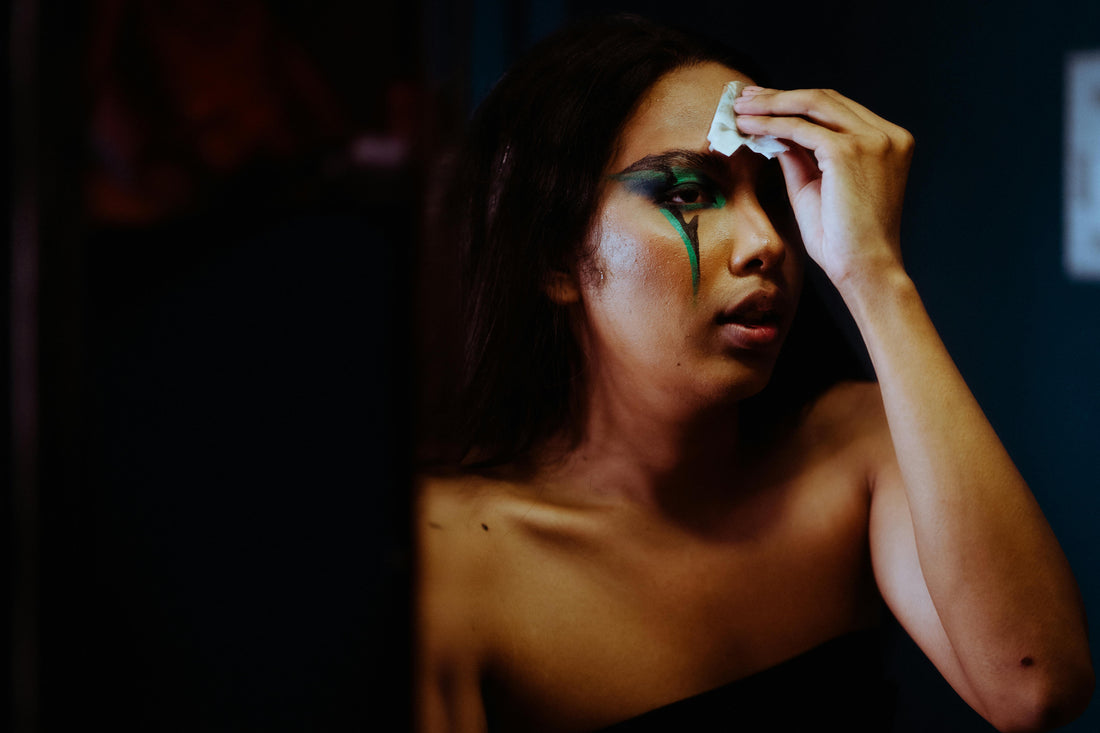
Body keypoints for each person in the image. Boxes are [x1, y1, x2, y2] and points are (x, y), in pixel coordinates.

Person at [415, 14, 1094, 732]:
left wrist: (874, 274)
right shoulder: (455, 562)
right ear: (555, 255)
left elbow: (1035, 687)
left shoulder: (853, 455)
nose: (767, 240)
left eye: (774, 195)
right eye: (687, 193)